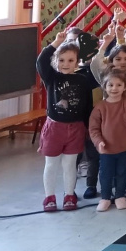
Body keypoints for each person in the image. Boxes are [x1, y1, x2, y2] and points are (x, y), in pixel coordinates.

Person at [36, 31, 97, 212]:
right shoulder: (52, 78)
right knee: (52, 164)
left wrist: (87, 127)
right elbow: (40, 62)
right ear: (56, 61)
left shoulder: (82, 79)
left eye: (70, 60)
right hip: (54, 128)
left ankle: (69, 195)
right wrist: (56, 43)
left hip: (76, 128)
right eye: (61, 60)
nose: (65, 64)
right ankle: (49, 197)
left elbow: (88, 104)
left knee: (70, 164)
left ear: (77, 61)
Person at [89, 69, 126, 211]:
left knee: (122, 172)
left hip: (125, 146)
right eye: (111, 85)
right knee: (106, 174)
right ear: (105, 86)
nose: (114, 88)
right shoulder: (100, 107)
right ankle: (105, 197)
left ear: (124, 87)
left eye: (118, 85)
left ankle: (120, 195)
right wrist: (99, 141)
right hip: (107, 149)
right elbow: (93, 128)